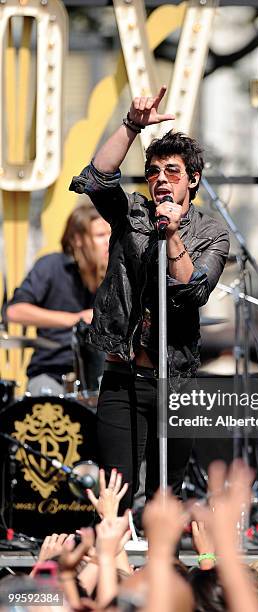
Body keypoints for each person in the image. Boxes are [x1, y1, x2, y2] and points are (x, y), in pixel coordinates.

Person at [69, 86, 230, 509]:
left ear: (193, 179)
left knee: (165, 500)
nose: (161, 180)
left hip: (175, 382)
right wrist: (130, 125)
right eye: (154, 172)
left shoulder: (211, 234)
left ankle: (164, 573)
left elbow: (195, 289)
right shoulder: (131, 214)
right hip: (124, 378)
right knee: (113, 496)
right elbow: (97, 178)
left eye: (172, 172)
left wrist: (172, 234)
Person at [6, 202, 111, 395]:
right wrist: (75, 318)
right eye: (100, 235)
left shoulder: (114, 274)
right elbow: (14, 311)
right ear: (78, 239)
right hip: (51, 372)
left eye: (110, 234)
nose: (108, 242)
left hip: (101, 374)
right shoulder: (51, 266)